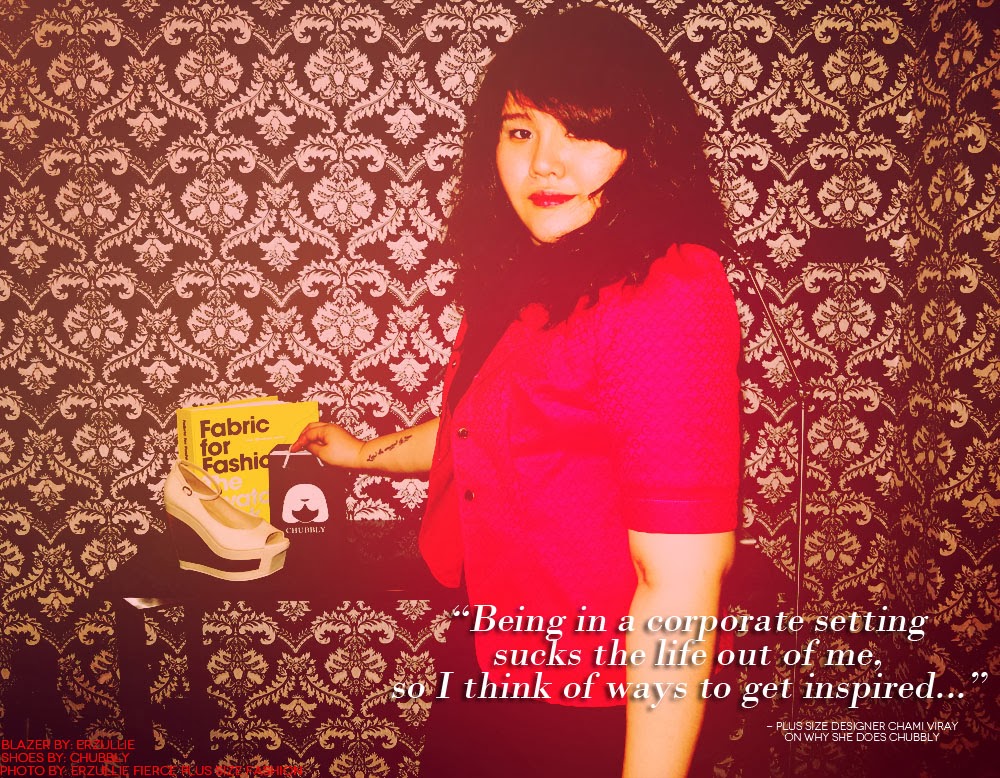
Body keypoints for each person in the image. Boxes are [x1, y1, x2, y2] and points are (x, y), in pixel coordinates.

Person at [291, 6, 740, 776]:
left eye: (582, 132)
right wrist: (361, 453)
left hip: (601, 698)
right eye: (522, 131)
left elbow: (679, 585)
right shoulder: (530, 280)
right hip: (495, 653)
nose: (544, 165)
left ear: (644, 146)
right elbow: (482, 431)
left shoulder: (665, 294)